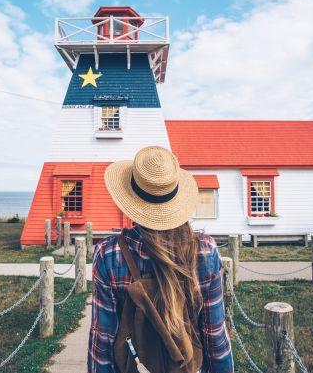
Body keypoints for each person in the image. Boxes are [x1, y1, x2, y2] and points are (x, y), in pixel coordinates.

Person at [88, 145, 234, 373]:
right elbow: (214, 334)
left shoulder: (108, 254)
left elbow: (103, 339)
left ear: (131, 199)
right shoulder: (204, 251)